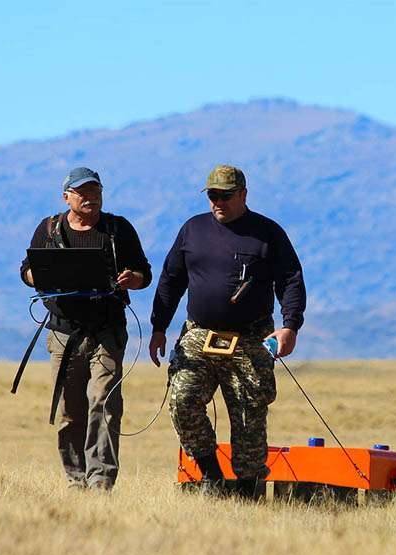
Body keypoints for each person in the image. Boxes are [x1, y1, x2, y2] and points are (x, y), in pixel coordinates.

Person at [149, 164, 306, 498]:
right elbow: (170, 280)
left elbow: (291, 279)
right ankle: (212, 477)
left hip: (250, 338)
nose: (217, 202)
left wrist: (289, 325)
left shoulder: (267, 233)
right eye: (212, 196)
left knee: (249, 417)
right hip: (199, 335)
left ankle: (248, 493)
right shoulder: (193, 230)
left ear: (243, 195)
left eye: (225, 196)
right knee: (182, 400)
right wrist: (158, 326)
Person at [20, 167, 151, 491]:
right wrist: (43, 277)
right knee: (69, 410)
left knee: (104, 401)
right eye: (82, 192)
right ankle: (76, 479)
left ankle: (101, 481)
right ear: (67, 197)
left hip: (106, 331)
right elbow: (26, 271)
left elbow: (144, 274)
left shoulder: (118, 230)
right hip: (64, 333)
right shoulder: (49, 230)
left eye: (95, 191)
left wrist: (132, 279)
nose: (90, 197)